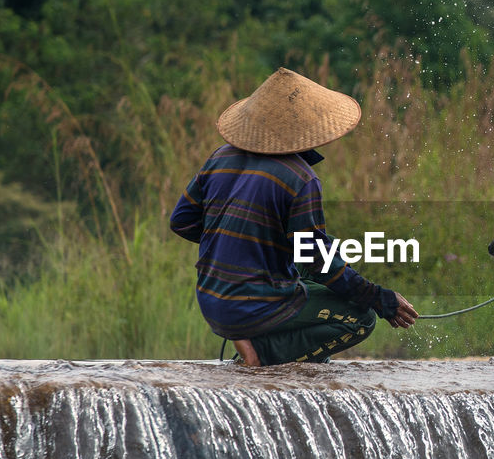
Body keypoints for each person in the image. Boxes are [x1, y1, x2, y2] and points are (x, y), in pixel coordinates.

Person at [170, 68, 418, 365]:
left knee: (329, 255)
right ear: (308, 129)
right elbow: (317, 260)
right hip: (251, 307)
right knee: (359, 319)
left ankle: (264, 346)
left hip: (211, 297)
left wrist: (244, 244)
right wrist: (379, 299)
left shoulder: (220, 156)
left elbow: (181, 221)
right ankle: (258, 354)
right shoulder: (300, 178)